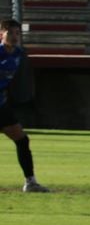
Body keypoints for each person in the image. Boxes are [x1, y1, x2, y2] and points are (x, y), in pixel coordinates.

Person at [0, 19, 49, 193]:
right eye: (10, 33)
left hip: (1, 106)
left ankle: (30, 182)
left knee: (22, 140)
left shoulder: (19, 53)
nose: (14, 37)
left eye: (17, 33)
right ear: (1, 34)